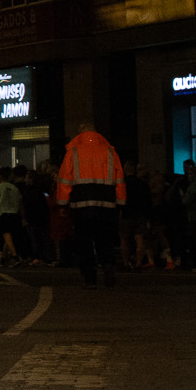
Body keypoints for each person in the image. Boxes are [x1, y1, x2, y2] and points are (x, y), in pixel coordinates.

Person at [55, 120, 126, 288]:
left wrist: (62, 205)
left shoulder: (73, 151)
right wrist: (120, 204)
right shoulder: (110, 152)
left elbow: (64, 180)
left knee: (84, 242)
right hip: (107, 205)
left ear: (81, 132)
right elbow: (120, 180)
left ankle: (90, 279)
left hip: (81, 205)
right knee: (105, 239)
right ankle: (108, 265)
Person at [0, 170, 24, 267]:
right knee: (8, 236)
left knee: (6, 234)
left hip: (3, 213)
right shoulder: (14, 188)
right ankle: (3, 257)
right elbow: (20, 202)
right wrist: (23, 216)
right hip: (14, 213)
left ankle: (14, 256)